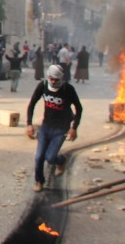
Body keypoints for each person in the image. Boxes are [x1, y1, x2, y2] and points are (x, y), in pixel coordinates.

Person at [26, 64, 82, 192]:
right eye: (50, 79)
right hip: (46, 126)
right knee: (39, 156)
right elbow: (32, 104)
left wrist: (74, 128)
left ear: (61, 79)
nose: (52, 82)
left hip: (61, 129)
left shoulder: (68, 89)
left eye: (55, 80)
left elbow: (79, 108)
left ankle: (61, 160)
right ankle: (39, 181)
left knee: (50, 157)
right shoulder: (43, 86)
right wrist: (29, 124)